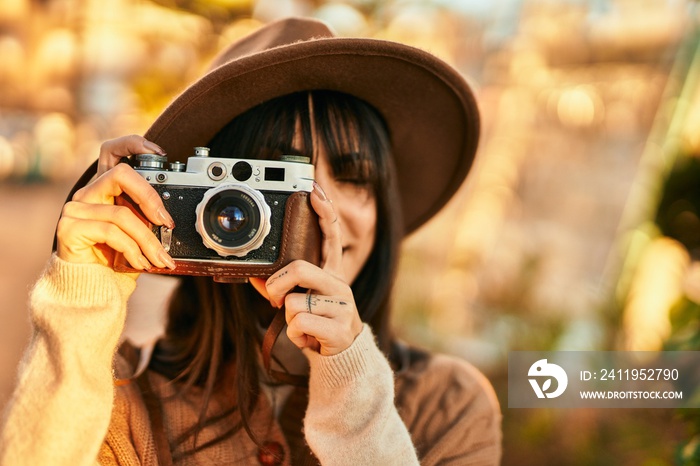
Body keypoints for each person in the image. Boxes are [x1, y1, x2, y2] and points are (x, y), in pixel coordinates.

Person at [0, 17, 501, 466]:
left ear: (382, 210)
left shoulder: (449, 405)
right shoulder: (115, 395)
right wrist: (78, 309)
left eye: (354, 177)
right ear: (198, 199)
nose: (316, 203)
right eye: (276, 177)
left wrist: (350, 381)